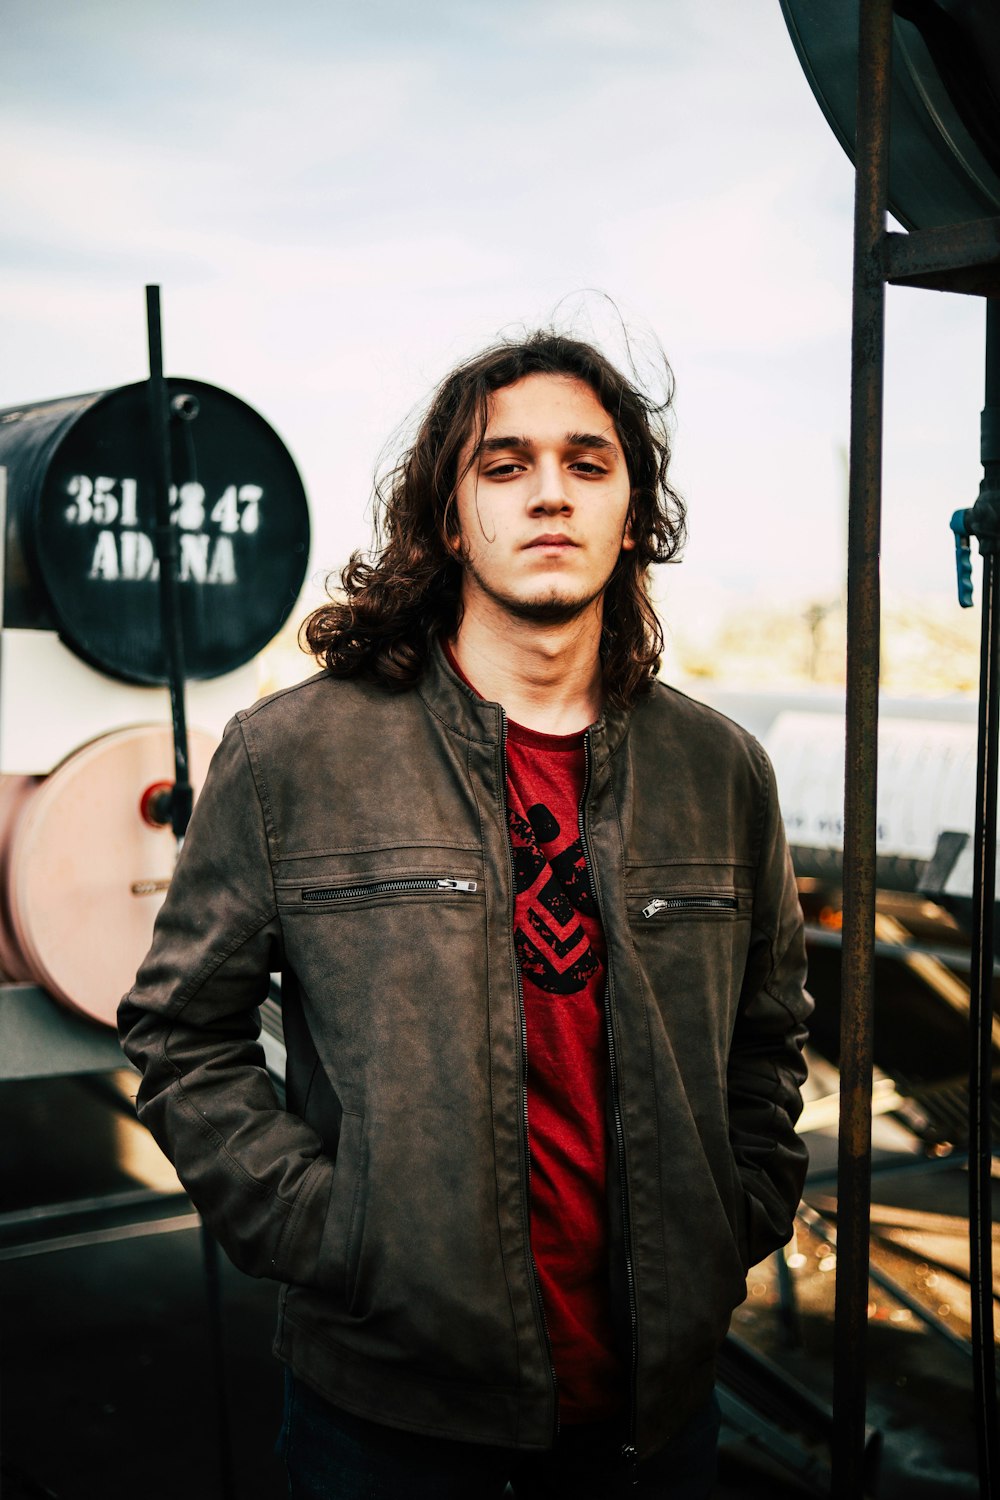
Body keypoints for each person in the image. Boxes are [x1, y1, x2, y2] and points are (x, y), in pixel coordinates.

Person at [118, 329, 811, 1499]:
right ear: (448, 520)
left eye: (588, 464)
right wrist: (333, 1234)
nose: (549, 491)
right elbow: (185, 1038)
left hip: (659, 1415)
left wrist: (732, 1212)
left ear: (634, 513)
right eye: (504, 466)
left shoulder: (720, 769)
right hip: (387, 1423)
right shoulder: (296, 757)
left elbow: (768, 1037)